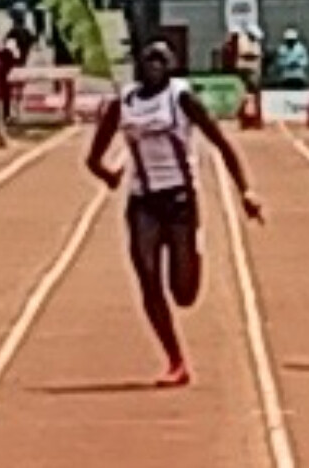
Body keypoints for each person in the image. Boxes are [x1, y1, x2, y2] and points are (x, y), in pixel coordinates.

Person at [86, 38, 263, 387]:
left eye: (160, 61)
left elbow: (221, 143)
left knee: (183, 293)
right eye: (148, 60)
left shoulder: (181, 98)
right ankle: (175, 360)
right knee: (148, 278)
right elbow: (93, 158)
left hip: (180, 201)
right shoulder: (124, 103)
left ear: (170, 66)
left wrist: (246, 191)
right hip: (143, 202)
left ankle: (193, 252)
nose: (153, 66)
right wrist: (108, 175)